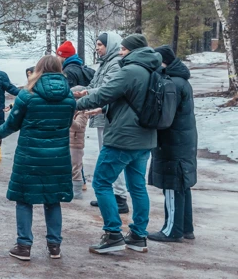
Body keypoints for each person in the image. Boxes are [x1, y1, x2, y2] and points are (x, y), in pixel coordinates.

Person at [76, 34, 162, 254]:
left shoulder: (130, 70)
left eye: (124, 49)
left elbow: (103, 94)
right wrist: (104, 110)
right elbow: (131, 100)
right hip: (145, 138)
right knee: (137, 187)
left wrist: (73, 103)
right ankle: (138, 236)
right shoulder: (154, 70)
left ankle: (113, 234)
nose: (121, 52)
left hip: (123, 138)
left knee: (102, 183)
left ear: (133, 50)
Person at [0, 55, 76, 261]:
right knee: (53, 200)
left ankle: (24, 246)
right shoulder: (69, 97)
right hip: (58, 156)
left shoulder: (27, 95)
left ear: (38, 69)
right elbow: (67, 123)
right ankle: (54, 246)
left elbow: (12, 123)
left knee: (24, 199)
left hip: (29, 156)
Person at [147, 45, 197, 243]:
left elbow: (165, 117)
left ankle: (171, 230)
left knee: (173, 186)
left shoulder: (172, 83)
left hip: (172, 143)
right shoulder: (180, 81)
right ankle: (185, 228)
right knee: (182, 185)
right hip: (182, 142)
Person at [76, 32, 129, 213]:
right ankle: (111, 194)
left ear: (110, 45)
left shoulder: (114, 64)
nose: (97, 47)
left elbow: (108, 89)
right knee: (106, 154)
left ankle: (119, 196)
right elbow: (93, 86)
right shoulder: (105, 63)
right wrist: (77, 91)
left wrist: (84, 96)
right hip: (102, 115)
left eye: (100, 44)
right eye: (97, 44)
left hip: (109, 116)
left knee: (111, 156)